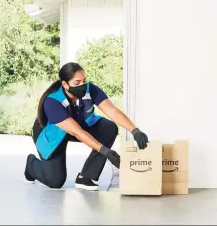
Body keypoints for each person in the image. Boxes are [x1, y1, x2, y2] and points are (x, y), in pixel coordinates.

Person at [24, 62, 149, 190]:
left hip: (79, 127)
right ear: (65, 84)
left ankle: (86, 177)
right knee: (55, 181)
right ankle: (31, 165)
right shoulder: (53, 101)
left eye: (84, 81)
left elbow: (111, 110)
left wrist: (135, 130)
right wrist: (105, 151)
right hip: (52, 134)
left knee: (109, 127)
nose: (83, 86)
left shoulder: (91, 89)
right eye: (77, 83)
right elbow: (76, 132)